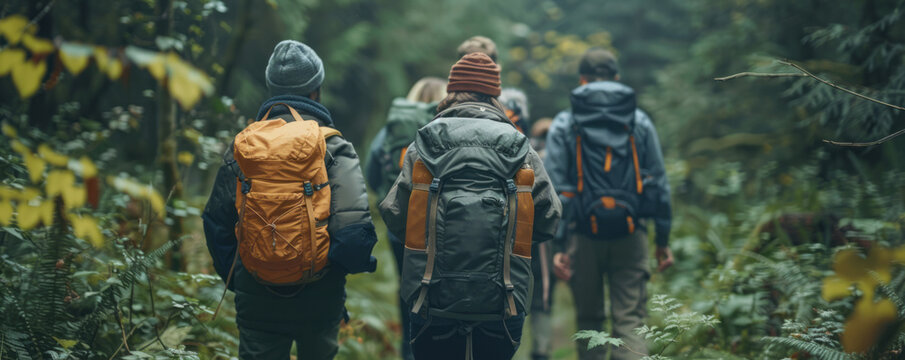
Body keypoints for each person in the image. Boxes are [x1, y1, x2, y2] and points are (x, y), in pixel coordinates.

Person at [202, 40, 378, 360]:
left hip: (256, 296)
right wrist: (333, 274)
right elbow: (354, 233)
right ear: (316, 90)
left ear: (272, 88)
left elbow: (216, 222)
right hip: (320, 298)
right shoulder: (334, 148)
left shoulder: (244, 148)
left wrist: (245, 276)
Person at [379, 53, 561, 360]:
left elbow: (396, 215)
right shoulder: (520, 147)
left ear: (451, 92)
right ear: (495, 95)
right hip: (504, 298)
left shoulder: (424, 144)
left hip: (431, 295)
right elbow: (549, 217)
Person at [545, 48, 674, 360]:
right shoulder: (638, 119)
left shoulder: (565, 122)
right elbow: (659, 182)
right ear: (617, 78)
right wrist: (663, 240)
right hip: (632, 232)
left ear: (582, 80)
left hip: (581, 234)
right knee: (630, 320)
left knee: (589, 322)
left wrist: (558, 244)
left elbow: (555, 188)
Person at [365, 77, 447, 360]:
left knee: (408, 289)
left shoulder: (393, 126)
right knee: (440, 292)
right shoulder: (445, 125)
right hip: (439, 227)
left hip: (400, 226)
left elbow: (373, 170)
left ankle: (409, 353)